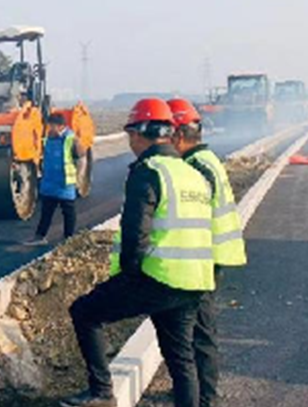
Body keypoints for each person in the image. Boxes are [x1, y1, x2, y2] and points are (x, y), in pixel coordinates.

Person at [61, 98, 215, 407]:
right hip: (196, 280)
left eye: (130, 134)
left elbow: (135, 231)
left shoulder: (148, 171)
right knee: (181, 359)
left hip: (160, 278)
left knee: (85, 313)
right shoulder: (192, 173)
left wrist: (129, 276)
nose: (130, 142)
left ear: (139, 133)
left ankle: (102, 392)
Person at [169, 98, 247, 407]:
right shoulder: (205, 159)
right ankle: (198, 390)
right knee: (196, 329)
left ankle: (206, 397)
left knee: (200, 331)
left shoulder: (196, 167)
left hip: (203, 258)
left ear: (178, 135)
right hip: (209, 255)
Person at [28, 113, 84, 245]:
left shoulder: (71, 140)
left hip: (65, 184)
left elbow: (81, 158)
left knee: (68, 212)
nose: (50, 128)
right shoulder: (48, 138)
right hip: (50, 182)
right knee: (46, 212)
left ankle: (69, 238)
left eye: (52, 126)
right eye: (49, 125)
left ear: (61, 126)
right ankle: (40, 237)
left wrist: (79, 178)